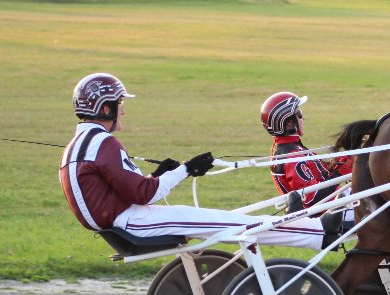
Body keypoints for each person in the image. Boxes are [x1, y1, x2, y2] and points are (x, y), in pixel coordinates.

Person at [59, 73, 343, 250]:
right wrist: (185, 169)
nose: (123, 111)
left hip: (126, 220)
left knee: (230, 222)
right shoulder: (104, 143)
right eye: (120, 104)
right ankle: (317, 233)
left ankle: (312, 231)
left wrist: (159, 174)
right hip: (132, 223)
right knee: (234, 223)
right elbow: (146, 193)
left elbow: (127, 188)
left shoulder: (79, 145)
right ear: (105, 108)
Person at [260, 92, 354, 224]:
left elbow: (316, 176)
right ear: (288, 124)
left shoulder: (289, 147)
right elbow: (312, 199)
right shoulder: (292, 157)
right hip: (327, 215)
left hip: (335, 203)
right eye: (299, 115)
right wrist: (339, 173)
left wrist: (336, 165)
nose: (303, 119)